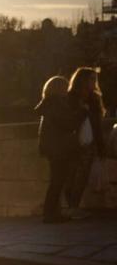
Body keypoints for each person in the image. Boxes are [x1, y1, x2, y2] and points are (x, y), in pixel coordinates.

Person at [35, 76, 86, 223]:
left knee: (57, 181)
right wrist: (82, 112)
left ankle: (52, 213)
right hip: (58, 148)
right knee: (57, 181)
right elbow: (68, 124)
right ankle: (50, 214)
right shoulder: (56, 104)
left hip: (52, 147)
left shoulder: (49, 104)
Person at [65, 67, 107, 217]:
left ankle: (73, 206)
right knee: (72, 176)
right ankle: (71, 206)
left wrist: (101, 147)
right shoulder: (71, 98)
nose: (93, 82)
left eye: (94, 79)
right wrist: (83, 111)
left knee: (82, 177)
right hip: (75, 144)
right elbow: (68, 123)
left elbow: (98, 125)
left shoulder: (94, 99)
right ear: (82, 80)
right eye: (91, 79)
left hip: (89, 144)